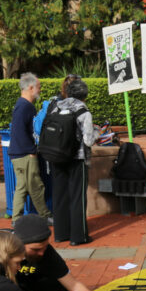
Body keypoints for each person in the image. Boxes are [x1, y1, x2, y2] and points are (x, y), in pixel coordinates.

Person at [12, 215, 120, 291]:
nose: (42, 253)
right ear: (18, 244)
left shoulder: (47, 252)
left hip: (28, 282)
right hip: (7, 289)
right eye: (36, 250)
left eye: (45, 247)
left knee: (63, 282)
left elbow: (74, 286)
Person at [48, 78, 96, 246]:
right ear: (85, 95)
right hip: (77, 158)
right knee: (77, 197)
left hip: (56, 156)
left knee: (59, 196)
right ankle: (78, 236)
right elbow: (89, 140)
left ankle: (61, 234)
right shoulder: (83, 112)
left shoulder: (55, 106)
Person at [9, 73, 52, 223]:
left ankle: (17, 218)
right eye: (38, 87)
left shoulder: (23, 105)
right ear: (31, 87)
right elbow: (20, 131)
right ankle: (44, 216)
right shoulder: (25, 107)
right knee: (35, 186)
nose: (40, 90)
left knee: (24, 186)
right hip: (25, 154)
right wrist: (31, 151)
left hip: (20, 153)